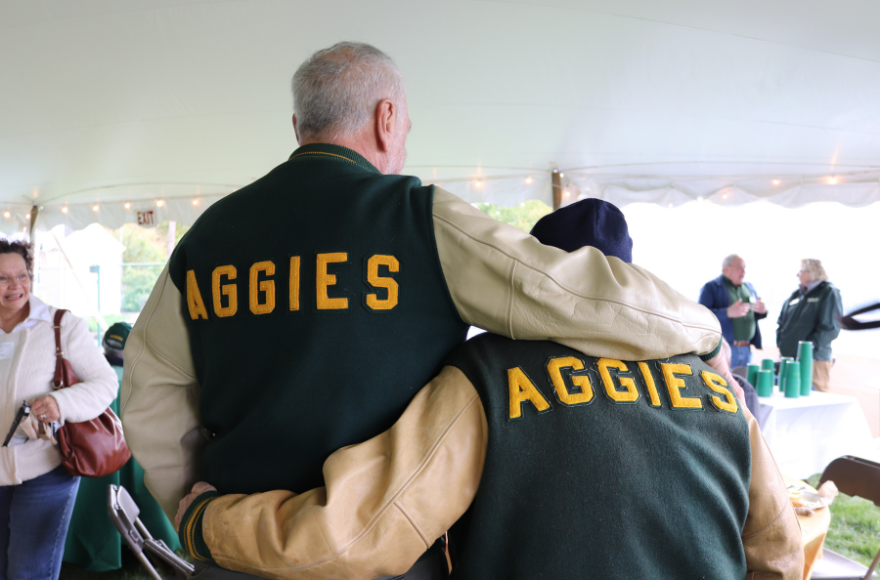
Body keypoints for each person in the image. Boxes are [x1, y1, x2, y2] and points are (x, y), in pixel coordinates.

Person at [121, 42, 724, 577]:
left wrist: (199, 508)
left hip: (236, 550)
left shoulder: (207, 237)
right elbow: (571, 294)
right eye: (406, 122)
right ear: (386, 119)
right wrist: (702, 331)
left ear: (300, 124)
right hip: (384, 560)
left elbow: (149, 397)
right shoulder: (416, 218)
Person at [174, 200, 803, 580]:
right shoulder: (721, 391)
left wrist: (209, 521)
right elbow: (777, 553)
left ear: (538, 278)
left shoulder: (487, 376)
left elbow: (358, 533)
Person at [0, 239, 118, 580]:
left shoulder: (61, 326)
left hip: (45, 466)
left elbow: (105, 383)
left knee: (27, 572)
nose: (15, 286)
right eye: (3, 278)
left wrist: (60, 403)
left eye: (21, 275)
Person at [63, 322, 181, 572]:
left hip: (94, 458)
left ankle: (94, 548)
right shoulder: (148, 381)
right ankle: (156, 543)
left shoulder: (83, 382)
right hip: (139, 455)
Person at [777, 259, 842, 392]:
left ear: (812, 272)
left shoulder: (828, 292)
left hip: (814, 361)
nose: (798, 275)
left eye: (801, 271)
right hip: (790, 360)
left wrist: (806, 350)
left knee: (816, 402)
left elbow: (830, 327)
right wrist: (781, 342)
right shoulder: (796, 294)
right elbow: (781, 322)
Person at [699, 254, 768, 368]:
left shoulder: (749, 287)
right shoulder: (711, 287)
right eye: (740, 267)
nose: (743, 271)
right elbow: (700, 316)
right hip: (724, 350)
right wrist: (727, 312)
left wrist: (763, 311)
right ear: (727, 268)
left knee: (744, 384)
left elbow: (757, 312)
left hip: (747, 349)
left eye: (745, 268)